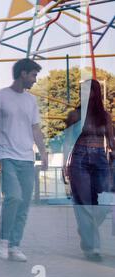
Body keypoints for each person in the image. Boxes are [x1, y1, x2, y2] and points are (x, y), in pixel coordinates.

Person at [0, 58, 48, 262]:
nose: (34, 80)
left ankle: (15, 245)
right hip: (7, 156)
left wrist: (43, 153)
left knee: (24, 203)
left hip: (26, 158)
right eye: (33, 75)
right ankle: (2, 239)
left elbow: (36, 129)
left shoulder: (30, 101)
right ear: (23, 73)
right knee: (14, 197)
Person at [64, 79, 114, 262]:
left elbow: (112, 141)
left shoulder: (105, 116)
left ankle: (85, 228)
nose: (86, 94)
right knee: (84, 203)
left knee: (104, 205)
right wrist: (65, 165)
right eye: (83, 91)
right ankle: (92, 247)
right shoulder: (75, 115)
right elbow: (67, 141)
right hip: (79, 160)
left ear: (96, 93)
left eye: (89, 91)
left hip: (100, 160)